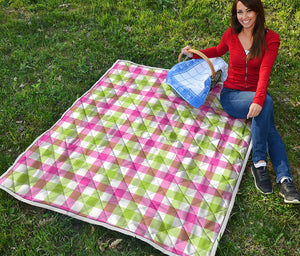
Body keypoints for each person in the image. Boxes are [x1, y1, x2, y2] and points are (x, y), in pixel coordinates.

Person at [181, 0, 300, 204]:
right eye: (240, 12)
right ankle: (266, 166)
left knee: (267, 116)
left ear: (258, 11)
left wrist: (259, 99)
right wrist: (194, 55)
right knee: (267, 107)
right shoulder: (231, 34)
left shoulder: (271, 39)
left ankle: (281, 176)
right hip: (232, 96)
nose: (244, 16)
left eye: (249, 11)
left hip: (254, 93)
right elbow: (218, 50)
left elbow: (265, 71)